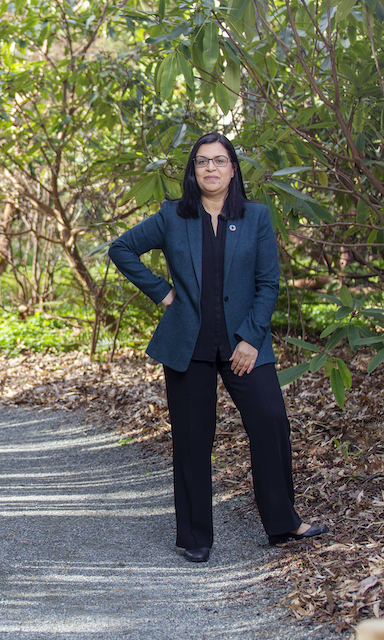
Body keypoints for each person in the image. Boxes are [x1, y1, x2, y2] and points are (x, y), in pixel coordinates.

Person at [108, 132, 327, 563]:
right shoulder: (173, 216)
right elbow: (122, 248)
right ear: (193, 171)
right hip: (188, 344)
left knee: (270, 422)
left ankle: (284, 523)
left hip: (244, 344)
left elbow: (268, 284)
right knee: (192, 439)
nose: (211, 168)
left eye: (220, 161)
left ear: (232, 169)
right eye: (203, 161)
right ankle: (194, 537)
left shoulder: (256, 217)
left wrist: (251, 338)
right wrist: (163, 294)